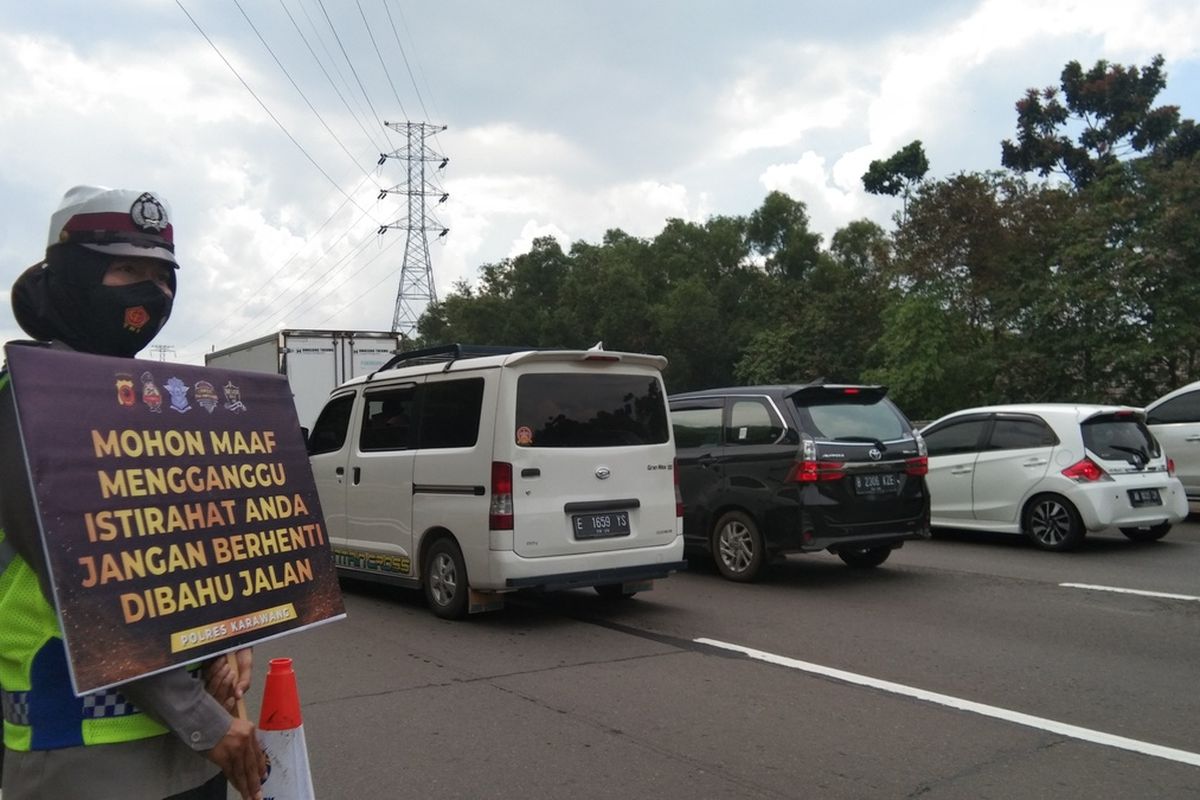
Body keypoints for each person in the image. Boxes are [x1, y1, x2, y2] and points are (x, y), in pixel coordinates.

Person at [0, 186, 266, 799]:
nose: (150, 293)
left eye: (162, 275)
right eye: (126, 268)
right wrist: (207, 723)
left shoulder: (155, 405)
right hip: (85, 749)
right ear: (72, 274)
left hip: (194, 747)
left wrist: (232, 637)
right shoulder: (28, 402)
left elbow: (193, 553)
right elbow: (89, 587)